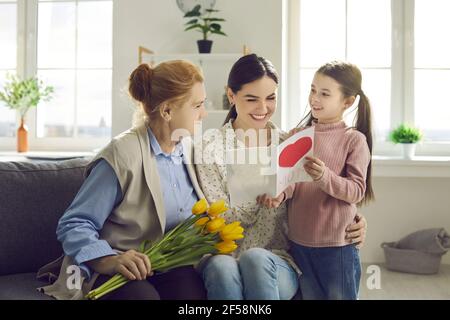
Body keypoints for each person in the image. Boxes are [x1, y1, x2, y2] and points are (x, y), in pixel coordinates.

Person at [196, 54, 368, 300]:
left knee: (255, 260)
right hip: (226, 255)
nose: (263, 109)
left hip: (278, 260)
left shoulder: (289, 143)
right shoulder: (209, 147)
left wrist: (354, 219)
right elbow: (218, 217)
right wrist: (263, 197)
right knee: (222, 268)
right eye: (251, 99)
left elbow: (318, 192)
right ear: (231, 96)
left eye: (271, 98)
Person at [37, 60, 209, 300]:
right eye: (197, 105)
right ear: (167, 111)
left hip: (167, 266)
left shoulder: (189, 151)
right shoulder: (122, 155)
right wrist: (108, 259)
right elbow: (74, 223)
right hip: (115, 266)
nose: (204, 113)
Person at [261, 60, 374, 300]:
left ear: (347, 102)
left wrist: (324, 177)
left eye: (324, 93)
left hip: (337, 247)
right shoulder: (297, 136)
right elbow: (290, 181)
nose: (314, 98)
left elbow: (356, 191)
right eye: (313, 90)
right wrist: (280, 194)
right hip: (299, 244)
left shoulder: (353, 140)